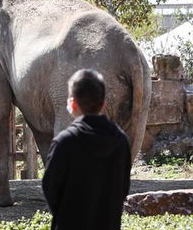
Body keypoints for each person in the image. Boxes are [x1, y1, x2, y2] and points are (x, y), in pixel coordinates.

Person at [42, 69, 132, 230]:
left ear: (73, 103)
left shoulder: (64, 142)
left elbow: (50, 190)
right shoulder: (121, 141)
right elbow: (123, 189)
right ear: (103, 103)